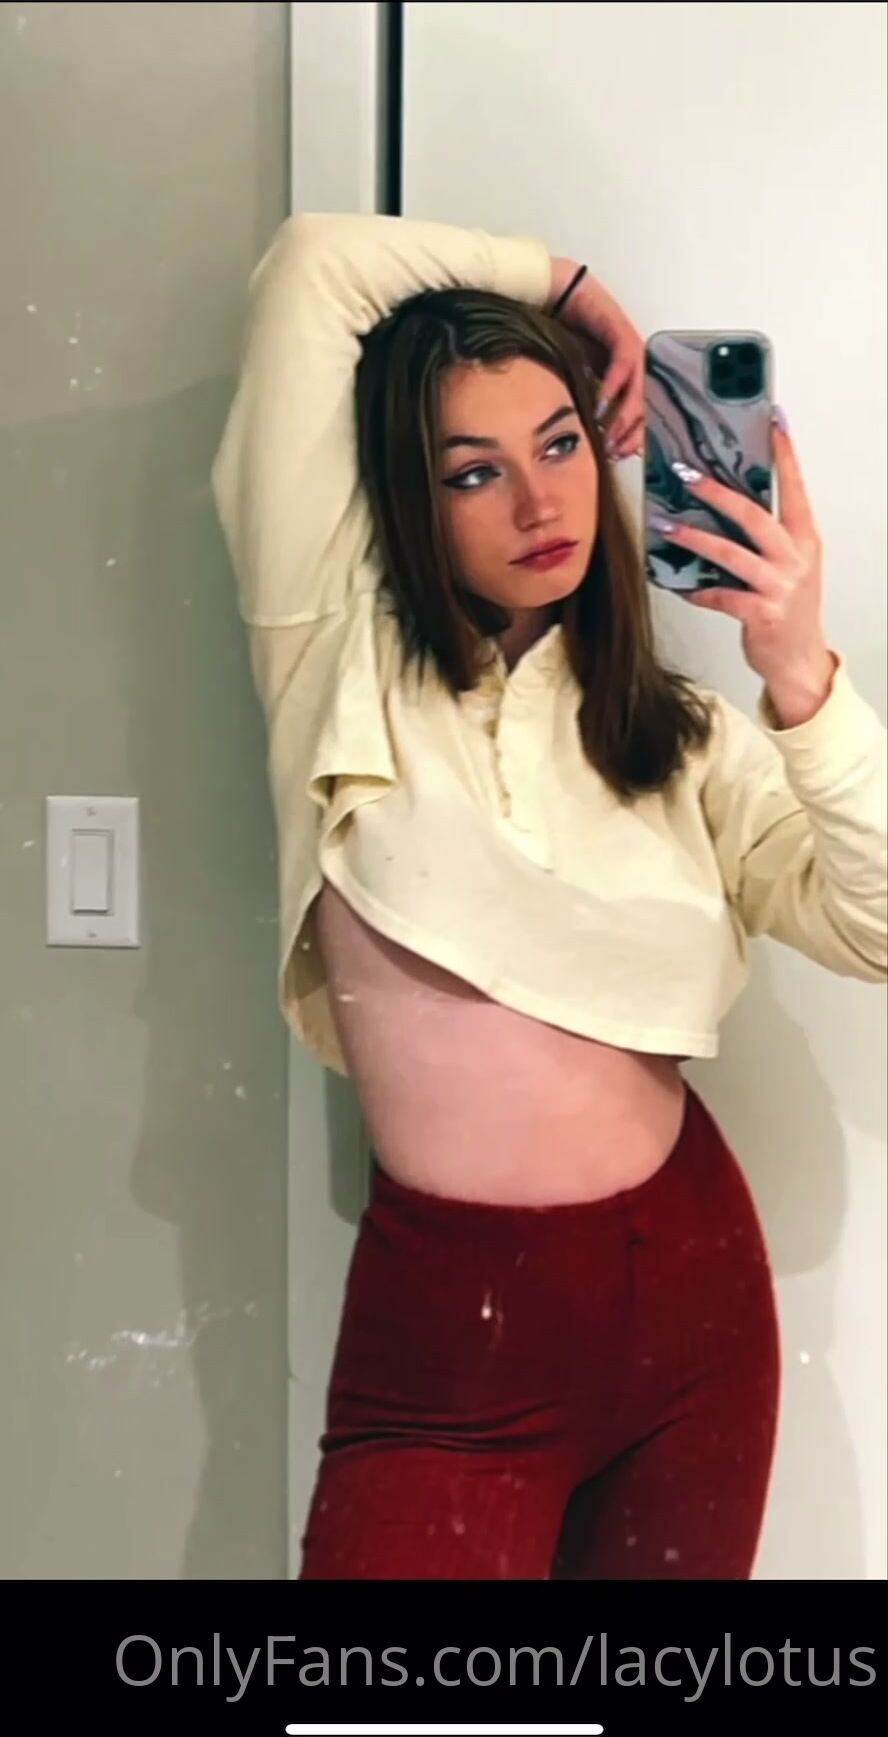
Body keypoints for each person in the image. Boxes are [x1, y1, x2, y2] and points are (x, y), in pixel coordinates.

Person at [211, 211, 887, 1580]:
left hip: (691, 1310)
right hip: (450, 1342)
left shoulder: (684, 737)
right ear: (410, 498)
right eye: (476, 471)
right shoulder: (337, 654)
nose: (540, 503)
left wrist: (802, 675)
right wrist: (572, 291)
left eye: (563, 444)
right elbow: (315, 265)